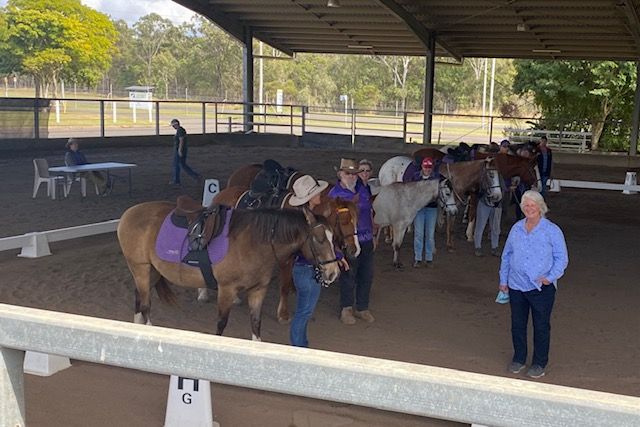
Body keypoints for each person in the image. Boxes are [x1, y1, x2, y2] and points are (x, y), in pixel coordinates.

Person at [499, 190, 568, 379]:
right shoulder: (516, 229)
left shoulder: (552, 230)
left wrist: (550, 277)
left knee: (541, 325)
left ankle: (539, 362)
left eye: (532, 205)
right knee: (517, 324)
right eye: (526, 205)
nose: (529, 208)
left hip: (541, 288)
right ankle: (519, 358)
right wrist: (503, 280)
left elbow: (561, 258)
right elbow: (507, 255)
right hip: (516, 285)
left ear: (540, 207)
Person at [288, 174, 347, 347]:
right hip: (305, 269)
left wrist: (336, 256)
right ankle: (298, 347)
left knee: (306, 311)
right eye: (316, 193)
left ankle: (301, 344)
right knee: (304, 311)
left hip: (308, 268)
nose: (320, 195)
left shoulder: (309, 217)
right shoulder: (303, 221)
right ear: (309, 198)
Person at [329, 158, 376, 325]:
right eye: (347, 173)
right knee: (348, 275)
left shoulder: (363, 189)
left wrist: (373, 233)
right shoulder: (335, 195)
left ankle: (362, 307)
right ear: (340, 174)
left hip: (366, 238)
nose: (351, 177)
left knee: (366, 274)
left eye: (354, 174)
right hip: (347, 241)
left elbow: (369, 210)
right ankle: (346, 308)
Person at [405, 157, 439, 268]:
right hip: (419, 209)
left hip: (431, 208)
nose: (427, 170)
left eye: (429, 167)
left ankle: (429, 258)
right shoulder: (415, 177)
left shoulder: (436, 177)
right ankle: (418, 258)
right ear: (422, 167)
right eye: (426, 167)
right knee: (419, 234)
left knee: (430, 234)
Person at [169, 119, 201, 186]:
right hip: (182, 149)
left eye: (173, 125)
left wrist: (179, 150)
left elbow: (181, 140)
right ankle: (195, 176)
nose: (173, 127)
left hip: (180, 150)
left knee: (177, 165)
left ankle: (176, 181)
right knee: (182, 165)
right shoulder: (180, 130)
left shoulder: (180, 130)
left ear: (176, 124)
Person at [473, 187, 502, 257]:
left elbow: (503, 189)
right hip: (485, 202)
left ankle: (495, 247)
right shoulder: (484, 178)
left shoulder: (500, 178)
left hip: (496, 204)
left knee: (495, 226)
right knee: (480, 226)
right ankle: (478, 247)